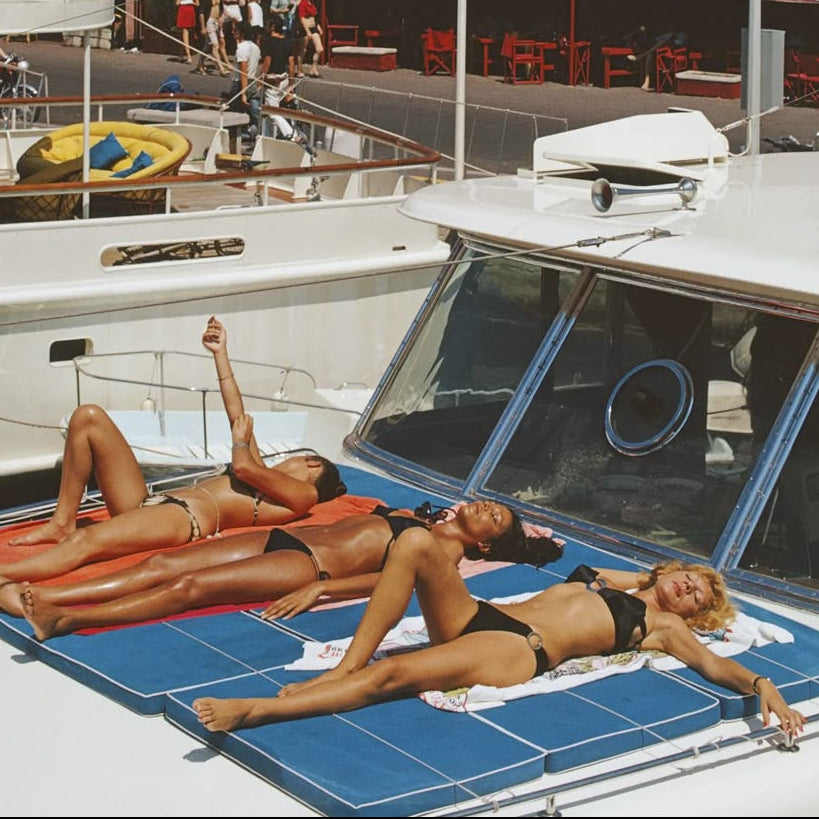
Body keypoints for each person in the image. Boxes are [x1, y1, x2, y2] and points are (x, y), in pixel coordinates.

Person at [191, 553, 806, 738]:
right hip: (482, 615)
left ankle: (255, 710)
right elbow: (591, 570)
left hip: (518, 649)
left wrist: (762, 686)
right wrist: (644, 577)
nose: (688, 587)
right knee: (414, 547)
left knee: (394, 677)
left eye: (699, 595)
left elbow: (715, 663)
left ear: (696, 615)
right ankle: (346, 664)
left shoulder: (664, 629)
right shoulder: (631, 582)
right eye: (688, 575)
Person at [1, 316, 345, 583]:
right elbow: (236, 412)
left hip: (182, 518)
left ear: (312, 464)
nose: (291, 457)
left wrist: (241, 443)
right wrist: (220, 354)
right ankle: (63, 520)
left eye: (300, 456)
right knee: (87, 418)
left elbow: (242, 469)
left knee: (86, 542)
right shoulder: (267, 475)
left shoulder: (304, 497)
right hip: (147, 505)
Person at [10, 499, 563, 639]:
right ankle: (58, 592)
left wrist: (321, 590)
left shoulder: (446, 555)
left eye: (495, 518)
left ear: (487, 547)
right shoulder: (412, 516)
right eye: (491, 505)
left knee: (190, 585)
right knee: (161, 561)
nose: (486, 509)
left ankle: (70, 618)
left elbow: (386, 581)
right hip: (285, 537)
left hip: (306, 563)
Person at [230, 20, 262, 140]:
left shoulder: (241, 49)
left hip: (240, 84)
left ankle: (235, 137)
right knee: (253, 111)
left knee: (233, 114)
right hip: (252, 81)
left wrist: (243, 94)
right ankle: (254, 131)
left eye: (235, 30)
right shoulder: (255, 48)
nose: (233, 32)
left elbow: (243, 72)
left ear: (241, 33)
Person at [194, 0, 231, 76]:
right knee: (215, 45)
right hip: (209, 22)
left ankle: (199, 65)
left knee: (207, 47)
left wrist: (221, 17)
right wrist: (203, 27)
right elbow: (201, 13)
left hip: (216, 22)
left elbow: (221, 8)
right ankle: (221, 69)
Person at [296, 0, 322, 78]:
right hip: (304, 28)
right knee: (303, 50)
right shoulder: (302, 3)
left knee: (319, 49)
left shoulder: (312, 3)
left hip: (313, 27)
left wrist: (318, 27)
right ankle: (300, 70)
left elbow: (314, 17)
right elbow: (302, 18)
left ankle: (313, 68)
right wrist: (307, 31)